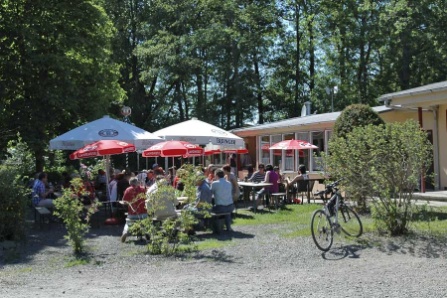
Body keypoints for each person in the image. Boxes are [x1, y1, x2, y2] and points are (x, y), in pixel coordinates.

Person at [120, 177, 147, 242]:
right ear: (137, 182)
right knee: (145, 222)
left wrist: (122, 202)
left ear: (130, 183)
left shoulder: (128, 190)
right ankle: (146, 233)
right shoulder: (143, 189)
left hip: (133, 213)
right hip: (143, 213)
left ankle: (125, 232)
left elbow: (124, 201)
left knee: (128, 223)